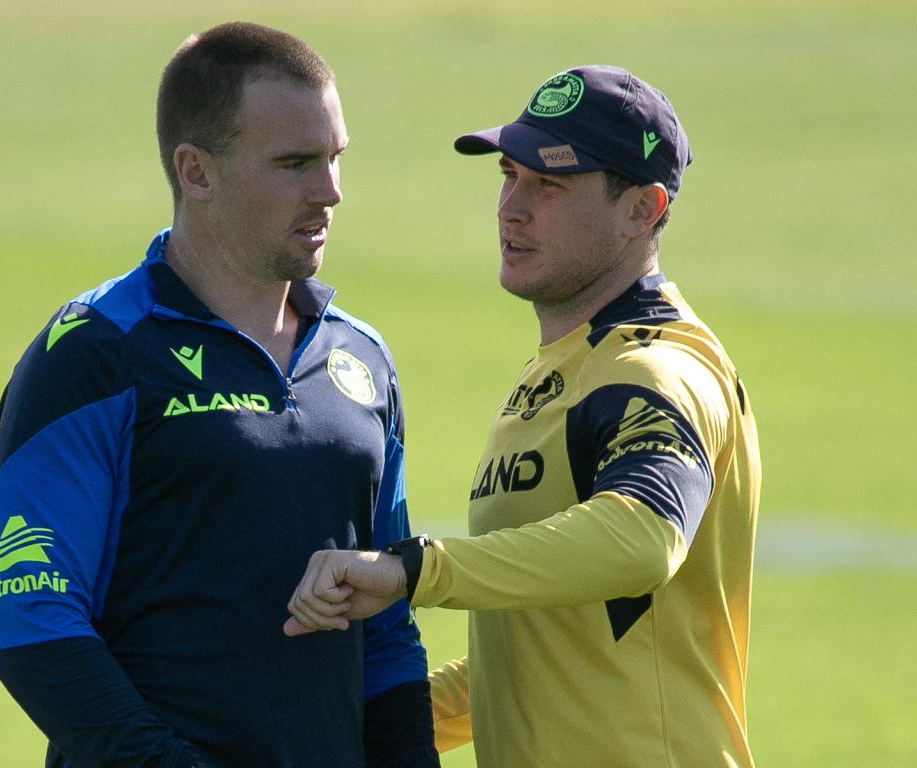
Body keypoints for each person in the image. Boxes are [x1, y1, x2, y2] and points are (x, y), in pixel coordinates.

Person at [0, 21, 439, 768]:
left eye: (334, 158)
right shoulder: (93, 356)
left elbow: (385, 630)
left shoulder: (361, 359)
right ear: (196, 171)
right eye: (294, 163)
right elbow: (36, 629)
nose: (330, 192)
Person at [284, 65, 762, 768]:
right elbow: (538, 663)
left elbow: (643, 538)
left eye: (550, 186)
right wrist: (346, 718)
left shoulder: (658, 371)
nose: (512, 206)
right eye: (510, 174)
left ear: (643, 209)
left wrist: (414, 571)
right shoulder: (558, 373)